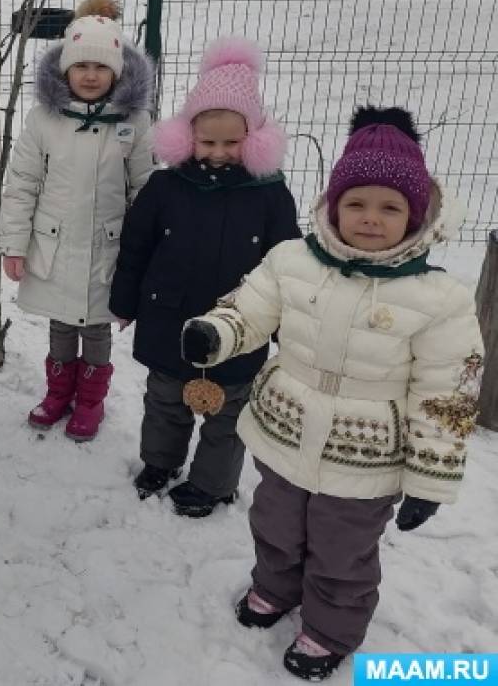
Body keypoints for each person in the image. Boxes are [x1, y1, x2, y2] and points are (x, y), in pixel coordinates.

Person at [181, 107, 484, 680]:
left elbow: (449, 394)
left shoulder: (439, 299)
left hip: (362, 459)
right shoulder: (292, 261)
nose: (370, 218)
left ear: (416, 215)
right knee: (275, 524)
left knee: (342, 551)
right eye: (357, 203)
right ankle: (274, 587)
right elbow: (249, 308)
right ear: (334, 204)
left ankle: (329, 630)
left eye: (390, 207)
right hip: (285, 433)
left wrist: (430, 478)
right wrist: (216, 332)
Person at [110, 37, 299, 516]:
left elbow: (287, 266)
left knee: (228, 412)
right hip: (169, 316)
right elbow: (136, 246)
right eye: (207, 141)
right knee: (165, 400)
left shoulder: (270, 195)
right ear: (187, 135)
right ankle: (160, 462)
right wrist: (125, 301)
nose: (218, 153)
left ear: (252, 138)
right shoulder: (165, 186)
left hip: (242, 325)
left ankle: (212, 484)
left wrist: (286, 328)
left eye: (231, 143)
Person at [0, 0, 155, 441]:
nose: (90, 75)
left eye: (101, 67)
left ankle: (90, 401)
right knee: (62, 325)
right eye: (81, 65)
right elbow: (23, 183)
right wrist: (14, 244)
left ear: (117, 72)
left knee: (97, 328)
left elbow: (145, 189)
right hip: (56, 243)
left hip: (108, 247)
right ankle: (58, 394)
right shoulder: (44, 120)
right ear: (65, 69)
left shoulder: (134, 122)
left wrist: (143, 253)